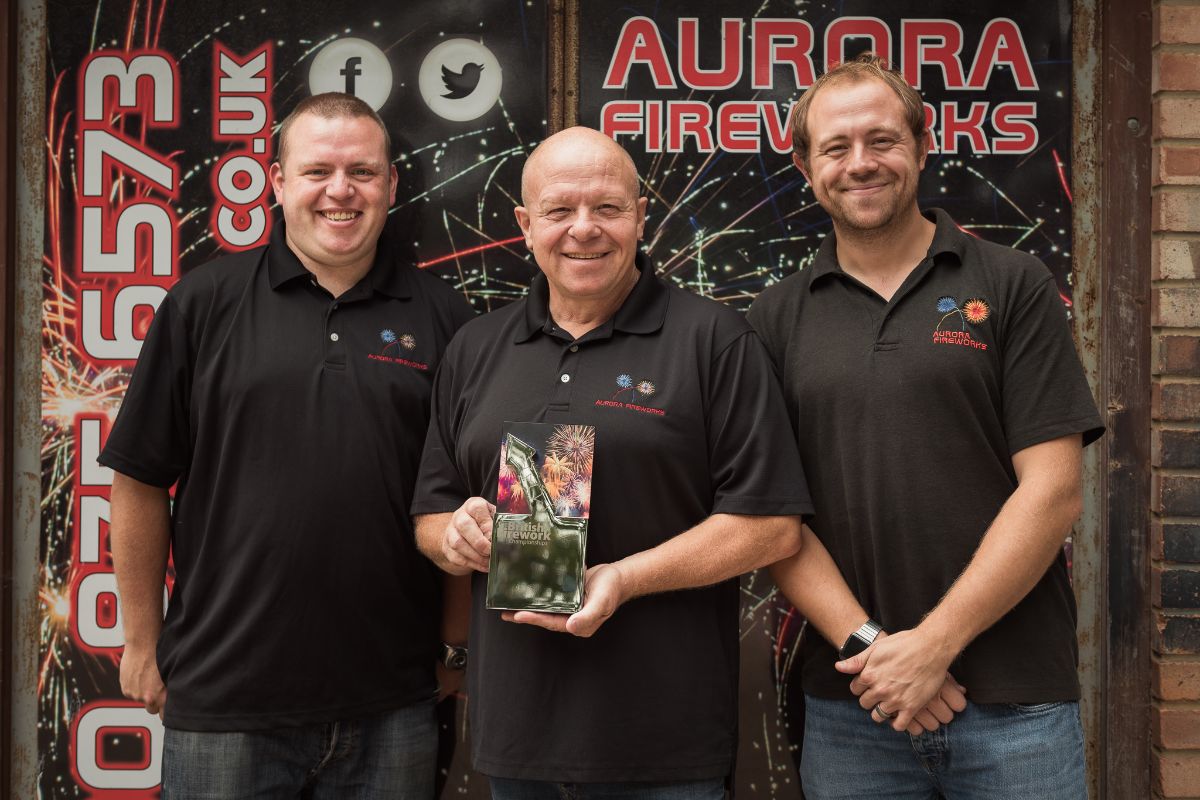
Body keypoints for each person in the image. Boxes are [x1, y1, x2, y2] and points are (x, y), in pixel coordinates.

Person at [411, 126, 808, 798]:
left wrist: (622, 579)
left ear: (641, 215)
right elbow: (430, 511)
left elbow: (771, 526)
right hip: (517, 740)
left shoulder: (714, 339)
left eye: (608, 209)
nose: (584, 230)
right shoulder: (476, 347)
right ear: (525, 224)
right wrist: (456, 535)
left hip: (664, 744)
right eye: (560, 211)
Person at [747, 54, 1105, 799]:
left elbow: (1054, 492)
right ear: (804, 165)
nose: (860, 164)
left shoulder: (1011, 283)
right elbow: (771, 519)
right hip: (853, 706)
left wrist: (935, 645)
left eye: (881, 140)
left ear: (921, 142)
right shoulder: (775, 318)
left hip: (1016, 703)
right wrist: (880, 652)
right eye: (836, 148)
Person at [101, 92, 475, 798]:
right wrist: (142, 641)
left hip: (392, 703)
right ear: (276, 182)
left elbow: (460, 497)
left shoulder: (446, 317)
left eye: (363, 172)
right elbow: (139, 480)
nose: (341, 190)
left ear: (392, 185)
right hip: (224, 703)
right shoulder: (202, 305)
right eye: (317, 171)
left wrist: (454, 650)